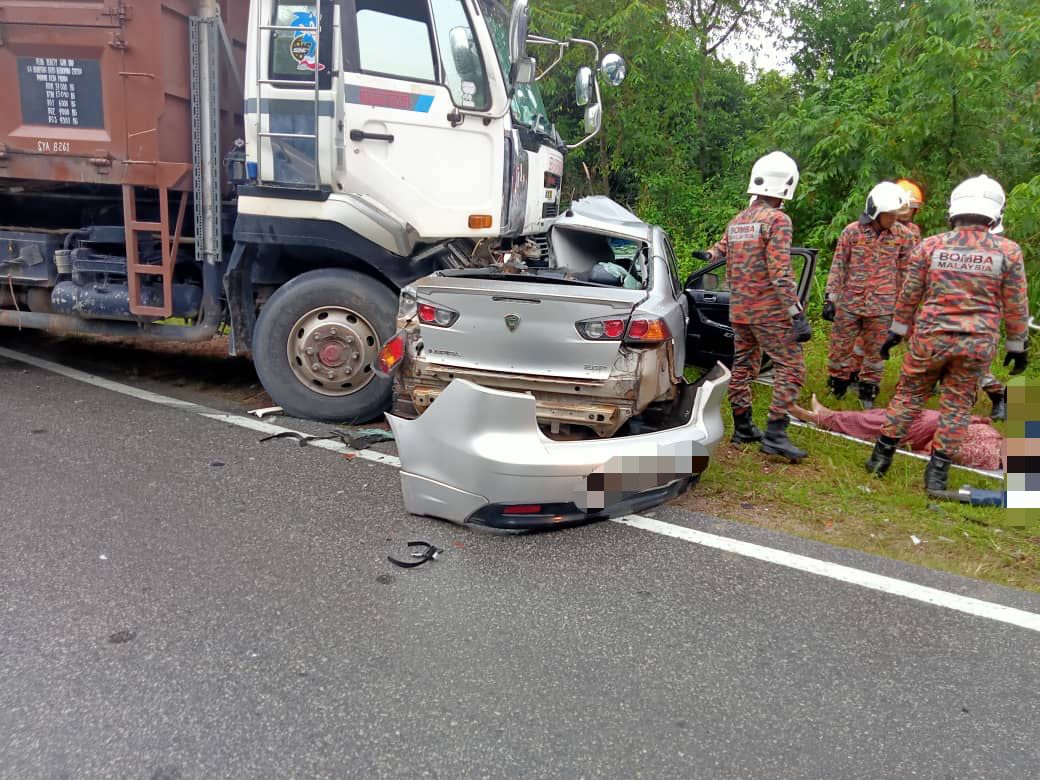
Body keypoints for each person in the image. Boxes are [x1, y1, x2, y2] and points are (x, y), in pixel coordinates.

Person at [866, 174, 1029, 493]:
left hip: (929, 340)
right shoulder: (1008, 252)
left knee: (909, 396)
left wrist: (895, 333)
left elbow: (909, 294)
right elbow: (1016, 304)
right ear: (995, 212)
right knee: (957, 406)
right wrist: (1017, 346)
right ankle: (936, 476)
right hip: (975, 346)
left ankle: (879, 460)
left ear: (955, 208)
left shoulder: (931, 246)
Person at [704, 151, 811, 462]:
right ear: (788, 186)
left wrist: (709, 254)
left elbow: (719, 250)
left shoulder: (739, 220)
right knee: (791, 367)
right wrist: (796, 313)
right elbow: (780, 272)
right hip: (769, 311)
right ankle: (776, 434)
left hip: (740, 309)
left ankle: (744, 427)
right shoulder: (778, 220)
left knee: (744, 366)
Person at [821, 182, 915, 409]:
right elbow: (839, 266)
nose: (894, 219)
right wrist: (830, 298)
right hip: (850, 304)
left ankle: (868, 394)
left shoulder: (904, 236)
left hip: (883, 307)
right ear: (875, 213)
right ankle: (837, 388)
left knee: (877, 353)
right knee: (840, 349)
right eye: (890, 215)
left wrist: (905, 309)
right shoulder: (851, 232)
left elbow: (907, 273)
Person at [790, 394, 1001, 471]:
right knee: (884, 414)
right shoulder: (996, 439)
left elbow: (946, 450)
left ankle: (821, 418)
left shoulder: (988, 455)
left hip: (929, 431)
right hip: (936, 421)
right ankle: (827, 416)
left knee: (878, 422)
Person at [895, 178, 926, 244]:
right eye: (903, 207)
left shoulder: (914, 229)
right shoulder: (885, 228)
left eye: (911, 207)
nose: (907, 211)